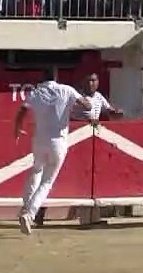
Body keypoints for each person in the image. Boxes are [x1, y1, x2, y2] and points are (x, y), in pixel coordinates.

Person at [12, 72, 94, 235]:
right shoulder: (66, 90)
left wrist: (17, 128)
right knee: (47, 182)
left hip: (39, 140)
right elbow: (88, 106)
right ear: (56, 77)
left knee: (36, 170)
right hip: (58, 141)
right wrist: (79, 98)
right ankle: (30, 213)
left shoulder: (36, 93)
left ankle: (26, 207)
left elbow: (22, 110)